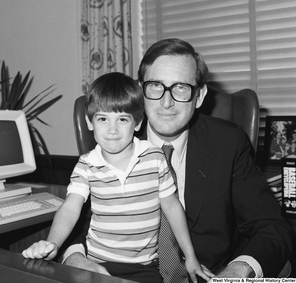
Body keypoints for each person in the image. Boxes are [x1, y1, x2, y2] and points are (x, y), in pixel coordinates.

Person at [62, 38, 292, 280]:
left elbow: (271, 226)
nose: (166, 102)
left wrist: (237, 271)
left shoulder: (228, 142)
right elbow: (78, 220)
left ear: (200, 96)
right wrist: (76, 257)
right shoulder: (113, 137)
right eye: (155, 86)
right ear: (140, 91)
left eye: (181, 87)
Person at [21, 72, 212, 283]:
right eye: (102, 119)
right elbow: (70, 209)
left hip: (144, 268)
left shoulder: (154, 157)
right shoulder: (86, 165)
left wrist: (191, 257)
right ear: (89, 122)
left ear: (137, 123)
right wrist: (53, 244)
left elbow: (173, 207)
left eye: (122, 119)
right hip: (96, 264)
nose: (112, 129)